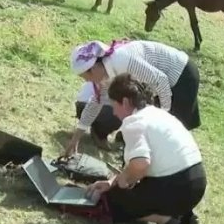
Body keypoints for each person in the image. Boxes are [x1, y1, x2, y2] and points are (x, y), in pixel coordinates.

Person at [85, 74, 207, 224]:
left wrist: (120, 185)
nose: (114, 112)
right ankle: (183, 214)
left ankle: (167, 221)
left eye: (114, 105)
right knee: (130, 190)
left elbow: (141, 164)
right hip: (197, 183)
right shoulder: (157, 114)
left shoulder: (133, 122)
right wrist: (112, 181)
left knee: (113, 202)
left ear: (125, 102)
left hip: (177, 186)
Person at [65, 38, 201, 156]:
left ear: (93, 68)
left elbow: (161, 81)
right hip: (160, 82)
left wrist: (162, 115)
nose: (87, 82)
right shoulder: (105, 72)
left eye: (86, 77)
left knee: (171, 127)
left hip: (181, 75)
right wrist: (76, 138)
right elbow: (96, 102)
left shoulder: (122, 61)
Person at [75, 81, 122, 149]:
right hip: (87, 106)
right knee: (121, 114)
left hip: (85, 104)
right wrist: (76, 138)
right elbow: (96, 101)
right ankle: (99, 134)